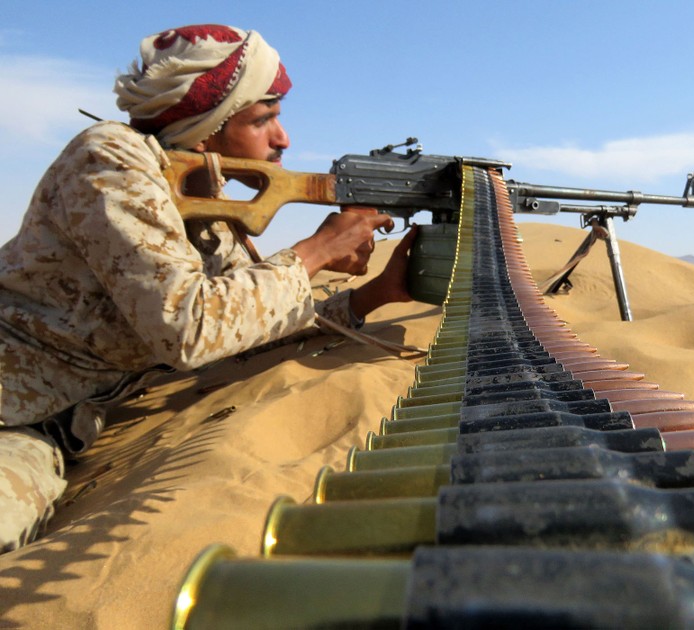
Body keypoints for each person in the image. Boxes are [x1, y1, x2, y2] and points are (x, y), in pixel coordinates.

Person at [0, 24, 415, 552]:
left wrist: (373, 296)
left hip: (60, 425)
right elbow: (189, 328)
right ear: (207, 127)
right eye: (263, 118)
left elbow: (241, 323)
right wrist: (317, 251)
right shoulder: (109, 159)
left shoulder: (207, 200)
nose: (282, 138)